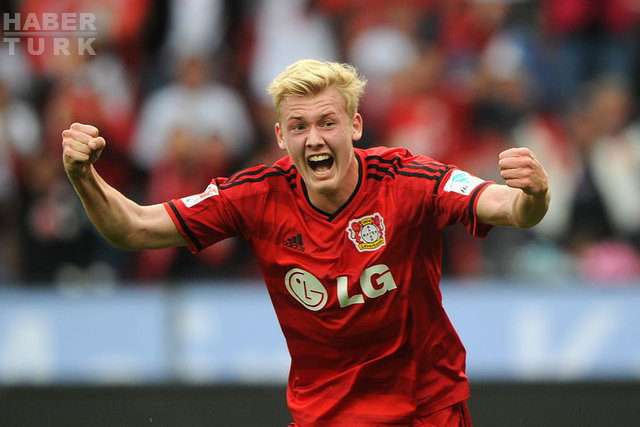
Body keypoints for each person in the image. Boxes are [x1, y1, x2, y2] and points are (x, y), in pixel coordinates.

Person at [62, 59, 550, 426]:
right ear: (281, 136)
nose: (314, 139)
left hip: (425, 409)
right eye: (299, 127)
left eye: (327, 122)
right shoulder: (255, 195)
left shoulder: (407, 179)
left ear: (355, 126)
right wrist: (83, 176)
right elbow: (134, 228)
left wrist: (534, 194)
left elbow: (506, 207)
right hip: (323, 415)